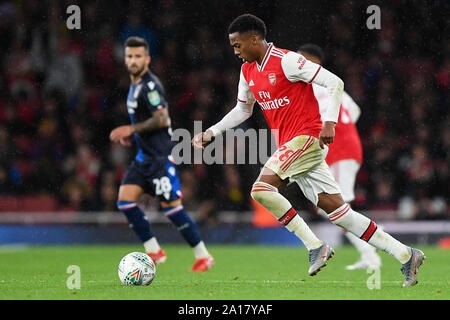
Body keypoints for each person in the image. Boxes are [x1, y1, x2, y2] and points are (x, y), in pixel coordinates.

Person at [192, 14, 424, 286]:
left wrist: (330, 122)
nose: (235, 51)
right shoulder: (247, 71)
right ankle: (407, 254)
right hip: (291, 145)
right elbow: (243, 109)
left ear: (254, 39)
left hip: (306, 139)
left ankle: (315, 245)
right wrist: (212, 132)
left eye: (238, 45)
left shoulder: (287, 61)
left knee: (261, 190)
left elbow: (335, 83)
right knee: (340, 213)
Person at [110, 36, 214, 272]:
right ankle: (154, 251)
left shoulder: (150, 85)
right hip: (143, 157)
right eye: (129, 56)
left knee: (172, 208)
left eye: (138, 56)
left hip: (158, 158)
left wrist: (131, 128)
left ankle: (203, 256)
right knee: (125, 201)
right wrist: (134, 135)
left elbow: (162, 118)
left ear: (147, 59)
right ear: (125, 59)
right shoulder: (134, 86)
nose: (133, 60)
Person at [298, 44, 381, 270]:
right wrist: (345, 130)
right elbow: (354, 111)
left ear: (316, 62)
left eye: (302, 59)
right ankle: (370, 252)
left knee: (334, 209)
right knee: (335, 209)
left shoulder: (309, 87)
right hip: (348, 147)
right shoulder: (334, 86)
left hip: (338, 150)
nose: (298, 63)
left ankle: (375, 249)